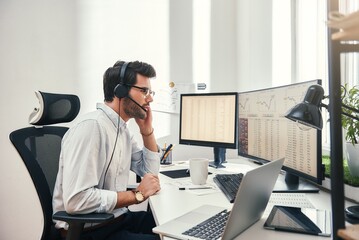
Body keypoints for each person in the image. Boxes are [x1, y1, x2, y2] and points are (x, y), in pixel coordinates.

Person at [52, 60, 161, 240]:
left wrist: (146, 131)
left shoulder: (121, 129)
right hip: (91, 231)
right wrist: (137, 195)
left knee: (174, 228)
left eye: (150, 92)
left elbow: (150, 174)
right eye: (144, 91)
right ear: (121, 91)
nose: (150, 98)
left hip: (116, 220)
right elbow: (76, 201)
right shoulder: (92, 128)